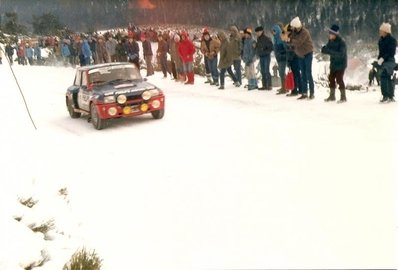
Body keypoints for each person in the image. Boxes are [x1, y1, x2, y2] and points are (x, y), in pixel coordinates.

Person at [288, 17, 315, 99]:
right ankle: (304, 92)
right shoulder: (294, 32)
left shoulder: (304, 32)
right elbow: (292, 40)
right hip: (300, 54)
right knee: (303, 73)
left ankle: (312, 92)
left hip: (307, 54)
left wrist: (290, 40)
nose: (292, 28)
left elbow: (299, 42)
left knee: (308, 73)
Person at [321, 24, 348, 103]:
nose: (329, 35)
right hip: (333, 63)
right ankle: (332, 95)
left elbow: (340, 54)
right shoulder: (330, 41)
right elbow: (326, 49)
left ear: (335, 34)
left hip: (341, 64)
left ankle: (343, 97)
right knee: (331, 78)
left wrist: (329, 51)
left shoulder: (341, 42)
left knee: (339, 79)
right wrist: (325, 49)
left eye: (331, 34)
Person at [377, 22, 397, 103]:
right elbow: (381, 52)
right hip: (383, 60)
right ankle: (387, 95)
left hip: (390, 60)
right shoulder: (380, 40)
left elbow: (391, 52)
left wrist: (383, 58)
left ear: (385, 31)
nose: (379, 32)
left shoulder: (392, 40)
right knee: (384, 77)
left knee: (385, 75)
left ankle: (389, 95)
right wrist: (379, 59)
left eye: (381, 30)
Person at [255, 26, 273, 90]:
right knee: (262, 71)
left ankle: (269, 85)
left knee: (266, 70)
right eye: (256, 32)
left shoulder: (266, 39)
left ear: (261, 31)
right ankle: (264, 85)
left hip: (266, 56)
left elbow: (271, 47)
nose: (257, 33)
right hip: (261, 56)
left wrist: (265, 51)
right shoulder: (258, 39)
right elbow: (258, 47)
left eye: (258, 32)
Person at [272, 24, 288, 94]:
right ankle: (283, 86)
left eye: (274, 31)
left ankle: (284, 88)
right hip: (278, 58)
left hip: (282, 58)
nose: (273, 33)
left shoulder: (280, 38)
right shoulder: (275, 39)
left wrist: (281, 54)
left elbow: (285, 48)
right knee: (281, 72)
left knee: (282, 72)